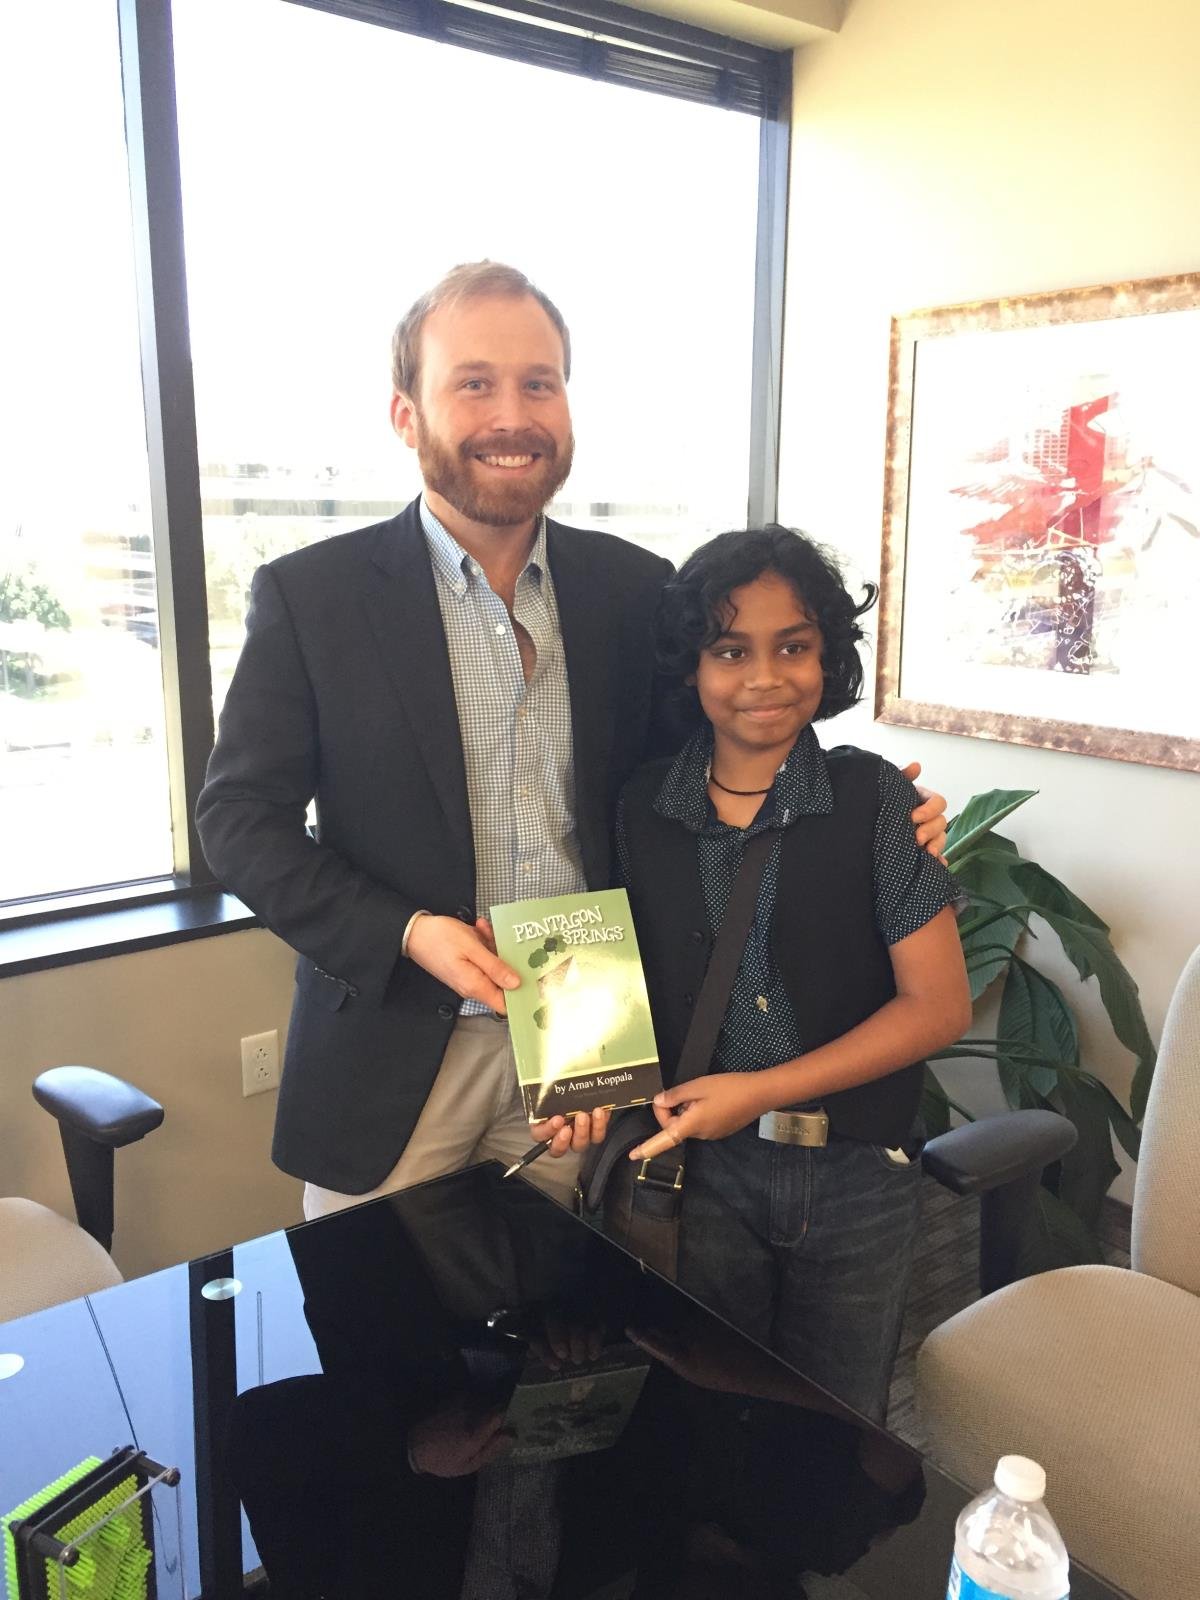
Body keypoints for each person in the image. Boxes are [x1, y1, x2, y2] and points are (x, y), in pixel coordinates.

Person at [196, 262, 949, 1221]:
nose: (513, 416)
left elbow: (713, 766)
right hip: (391, 1041)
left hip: (587, 1039)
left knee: (569, 1300)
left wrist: (882, 816)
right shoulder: (315, 598)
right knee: (379, 1309)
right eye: (475, 383)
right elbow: (238, 822)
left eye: (539, 383)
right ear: (406, 415)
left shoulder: (633, 589)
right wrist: (409, 931)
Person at [612, 526, 972, 1423]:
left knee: (837, 1420)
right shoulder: (641, 809)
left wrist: (760, 1090)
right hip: (707, 1172)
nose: (765, 677)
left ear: (828, 656)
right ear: (692, 667)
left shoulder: (876, 799)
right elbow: (614, 980)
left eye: (794, 646)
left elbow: (938, 1008)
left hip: (858, 1170)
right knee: (711, 1404)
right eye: (731, 650)